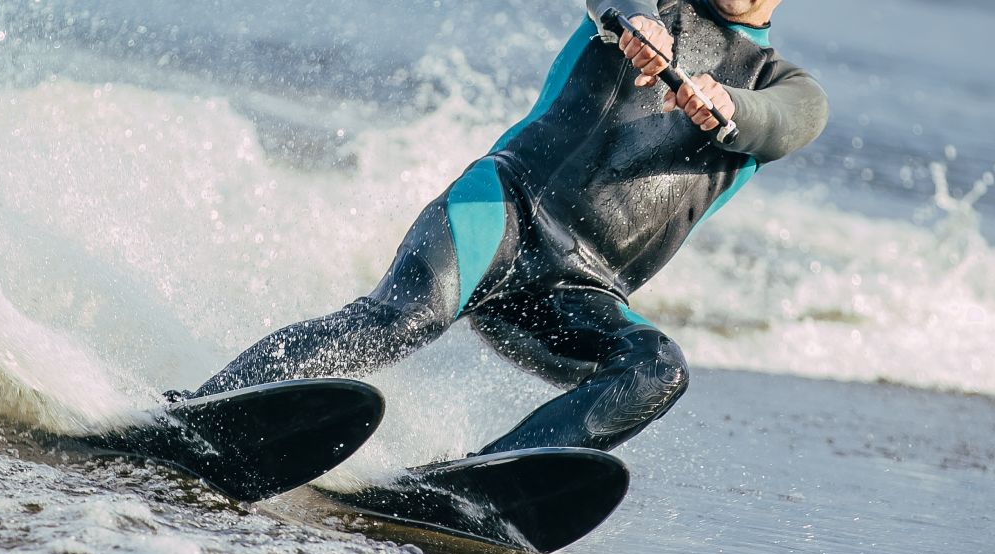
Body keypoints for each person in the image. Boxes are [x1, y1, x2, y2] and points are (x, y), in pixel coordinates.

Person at [185, 0, 828, 456]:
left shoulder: (790, 88)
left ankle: (469, 485)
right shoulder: (653, 4)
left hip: (579, 293)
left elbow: (780, 120)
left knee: (658, 369)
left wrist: (725, 103)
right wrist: (635, 23)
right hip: (502, 211)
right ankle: (198, 410)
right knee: (401, 318)